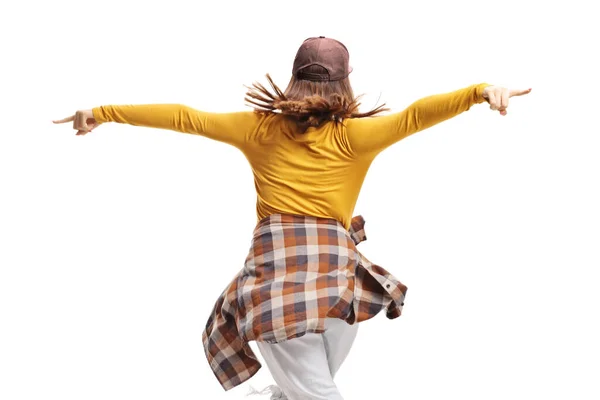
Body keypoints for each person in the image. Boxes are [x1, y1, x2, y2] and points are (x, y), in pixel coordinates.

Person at [53, 36, 531, 400]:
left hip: (282, 279)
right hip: (336, 284)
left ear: (293, 78)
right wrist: (480, 91)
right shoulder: (358, 136)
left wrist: (102, 111)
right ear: (346, 81)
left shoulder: (257, 128)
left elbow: (185, 117)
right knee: (312, 387)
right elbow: (415, 115)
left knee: (307, 389)